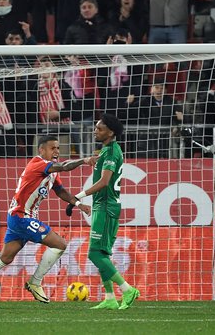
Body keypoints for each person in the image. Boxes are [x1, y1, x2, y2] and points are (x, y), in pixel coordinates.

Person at [0, 136, 96, 313]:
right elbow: (64, 167)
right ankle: (35, 282)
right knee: (60, 244)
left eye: (57, 148)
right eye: (52, 148)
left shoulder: (51, 171)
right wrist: (84, 160)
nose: (56, 151)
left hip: (19, 217)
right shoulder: (38, 164)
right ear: (41, 150)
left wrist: (78, 204)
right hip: (22, 217)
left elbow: (61, 191)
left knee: (6, 257)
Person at [73, 113, 140, 310]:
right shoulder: (106, 151)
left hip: (107, 206)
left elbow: (103, 183)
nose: (95, 131)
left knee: (94, 254)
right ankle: (110, 297)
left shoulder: (111, 152)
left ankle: (127, 289)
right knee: (101, 252)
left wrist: (79, 195)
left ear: (110, 132)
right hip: (102, 205)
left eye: (99, 128)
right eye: (95, 127)